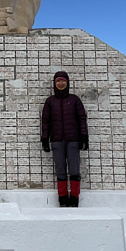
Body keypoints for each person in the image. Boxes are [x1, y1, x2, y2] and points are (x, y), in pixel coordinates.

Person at [41, 71, 89, 207]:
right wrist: (45, 139)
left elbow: (81, 119)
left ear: (67, 83)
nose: (60, 83)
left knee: (74, 170)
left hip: (73, 140)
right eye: (58, 81)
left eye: (63, 81)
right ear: (54, 83)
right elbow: (45, 121)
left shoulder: (74, 100)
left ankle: (74, 198)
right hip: (56, 141)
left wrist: (84, 137)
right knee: (60, 170)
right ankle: (62, 198)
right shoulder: (50, 101)